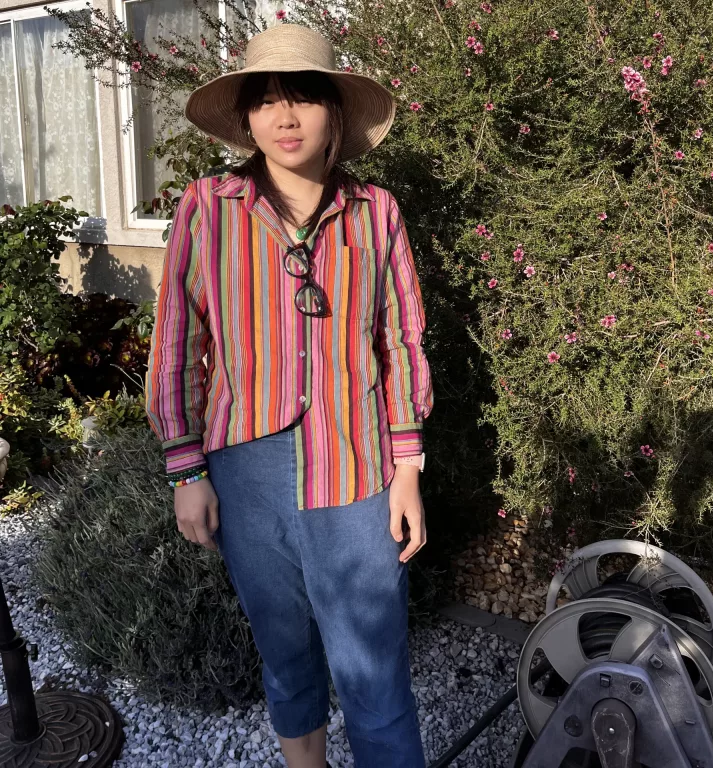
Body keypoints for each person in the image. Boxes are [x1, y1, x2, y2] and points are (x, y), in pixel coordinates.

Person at [144, 22, 434, 768]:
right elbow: (179, 343)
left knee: (373, 671)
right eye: (266, 100)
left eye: (303, 96)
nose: (285, 116)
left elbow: (400, 341)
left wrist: (407, 469)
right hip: (248, 473)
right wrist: (186, 471)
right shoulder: (208, 209)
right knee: (285, 652)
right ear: (245, 119)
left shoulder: (376, 213)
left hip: (356, 468)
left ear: (335, 112)